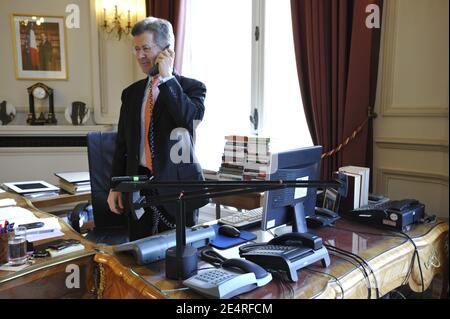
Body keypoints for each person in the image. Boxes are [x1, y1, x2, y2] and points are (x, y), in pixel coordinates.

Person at [107, 17, 208, 241]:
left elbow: (187, 119)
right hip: (138, 191)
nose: (140, 55)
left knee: (178, 266)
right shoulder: (131, 93)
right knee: (138, 263)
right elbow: (122, 145)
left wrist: (167, 78)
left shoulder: (192, 88)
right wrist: (115, 186)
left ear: (166, 51)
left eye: (146, 48)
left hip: (177, 191)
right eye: (136, 49)